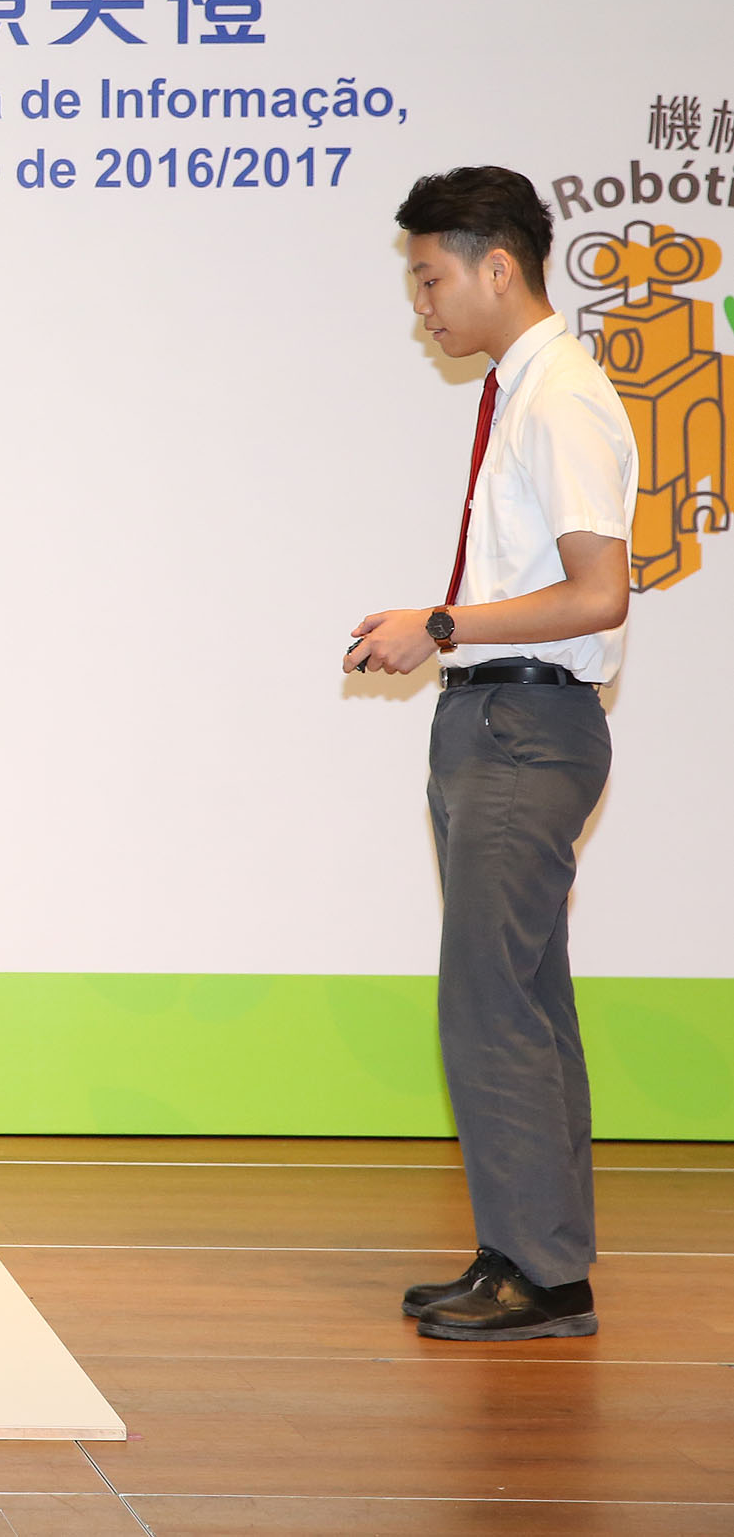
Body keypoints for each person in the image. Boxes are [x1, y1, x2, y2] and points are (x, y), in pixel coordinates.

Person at [346, 166, 638, 1342]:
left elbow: (598, 592)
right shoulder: (525, 395)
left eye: (429, 279)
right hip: (498, 722)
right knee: (521, 998)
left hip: (523, 728)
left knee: (491, 1003)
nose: (421, 305)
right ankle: (525, 1254)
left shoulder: (558, 398)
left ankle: (544, 1278)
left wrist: (441, 624)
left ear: (496, 266)